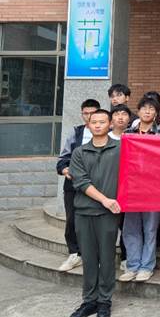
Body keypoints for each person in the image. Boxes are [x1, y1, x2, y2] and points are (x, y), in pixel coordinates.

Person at [67, 109, 121, 317]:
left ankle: (104, 301)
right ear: (88, 125)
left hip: (108, 214)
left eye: (102, 122)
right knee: (89, 259)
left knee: (107, 258)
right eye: (94, 122)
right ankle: (89, 301)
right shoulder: (79, 152)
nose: (98, 125)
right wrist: (105, 199)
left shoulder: (120, 149)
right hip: (84, 212)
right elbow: (81, 182)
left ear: (110, 125)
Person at [119, 97, 160, 283]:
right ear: (137, 111)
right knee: (130, 229)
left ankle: (147, 267)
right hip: (132, 189)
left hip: (153, 188)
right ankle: (132, 265)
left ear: (156, 113)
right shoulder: (127, 133)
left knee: (150, 229)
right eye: (144, 108)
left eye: (151, 109)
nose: (147, 111)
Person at [56, 98, 101, 273]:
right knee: (72, 220)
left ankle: (94, 254)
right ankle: (74, 253)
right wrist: (65, 170)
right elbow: (63, 159)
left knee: (95, 221)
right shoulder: (76, 133)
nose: (89, 117)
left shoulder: (107, 133)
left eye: (93, 113)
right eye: (86, 113)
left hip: (98, 185)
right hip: (74, 185)